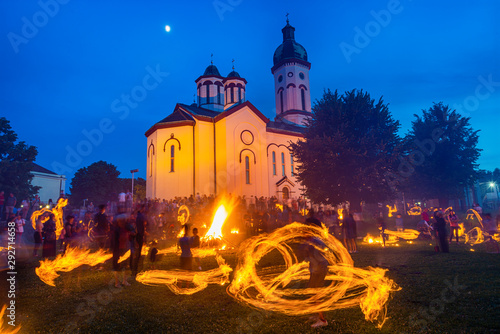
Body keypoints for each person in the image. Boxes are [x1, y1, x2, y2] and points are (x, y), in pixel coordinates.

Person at [304, 210, 329, 328]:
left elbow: (321, 251)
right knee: (311, 290)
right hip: (315, 268)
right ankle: (316, 314)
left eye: (307, 227)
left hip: (319, 268)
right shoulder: (313, 239)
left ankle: (323, 320)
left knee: (317, 293)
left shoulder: (316, 239)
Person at [112, 212, 131, 288]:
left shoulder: (125, 228)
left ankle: (124, 281)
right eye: (122, 220)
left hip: (125, 249)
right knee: (117, 267)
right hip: (118, 250)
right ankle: (117, 283)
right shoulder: (116, 230)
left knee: (125, 266)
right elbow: (114, 241)